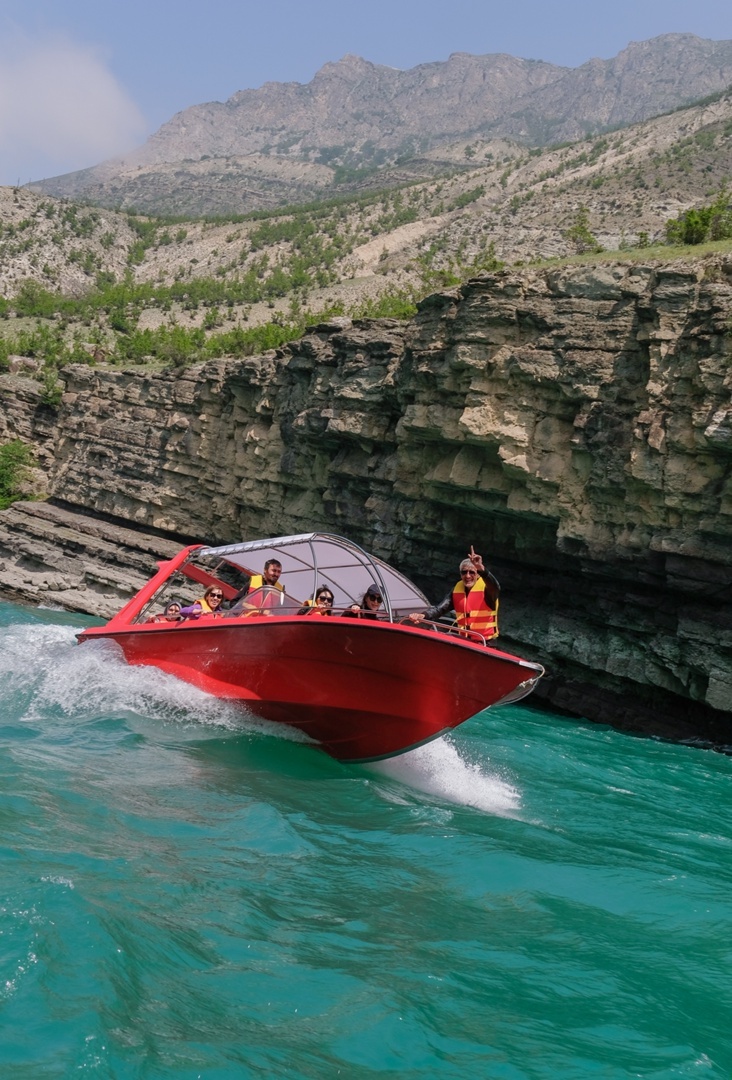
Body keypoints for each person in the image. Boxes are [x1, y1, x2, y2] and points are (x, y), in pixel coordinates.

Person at [409, 546, 500, 639]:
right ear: (460, 574)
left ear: (478, 574)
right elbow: (440, 609)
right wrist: (423, 615)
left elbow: (495, 586)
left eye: (472, 572)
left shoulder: (488, 589)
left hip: (486, 642)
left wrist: (481, 568)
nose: (468, 576)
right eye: (464, 572)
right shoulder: (457, 589)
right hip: (465, 640)